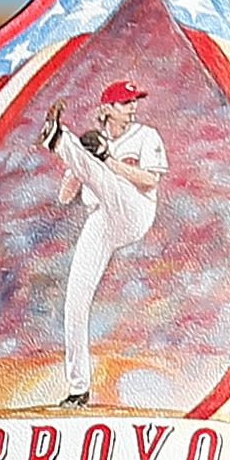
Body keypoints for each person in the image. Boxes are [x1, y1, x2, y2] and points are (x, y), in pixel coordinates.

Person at [47, 76, 167, 406]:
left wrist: (106, 161)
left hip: (134, 209)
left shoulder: (145, 136)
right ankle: (78, 388)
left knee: (105, 175)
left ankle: (60, 140)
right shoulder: (96, 142)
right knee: (75, 300)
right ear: (108, 108)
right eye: (126, 103)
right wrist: (79, 164)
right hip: (101, 218)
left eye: (134, 101)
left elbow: (150, 179)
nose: (133, 108)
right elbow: (64, 196)